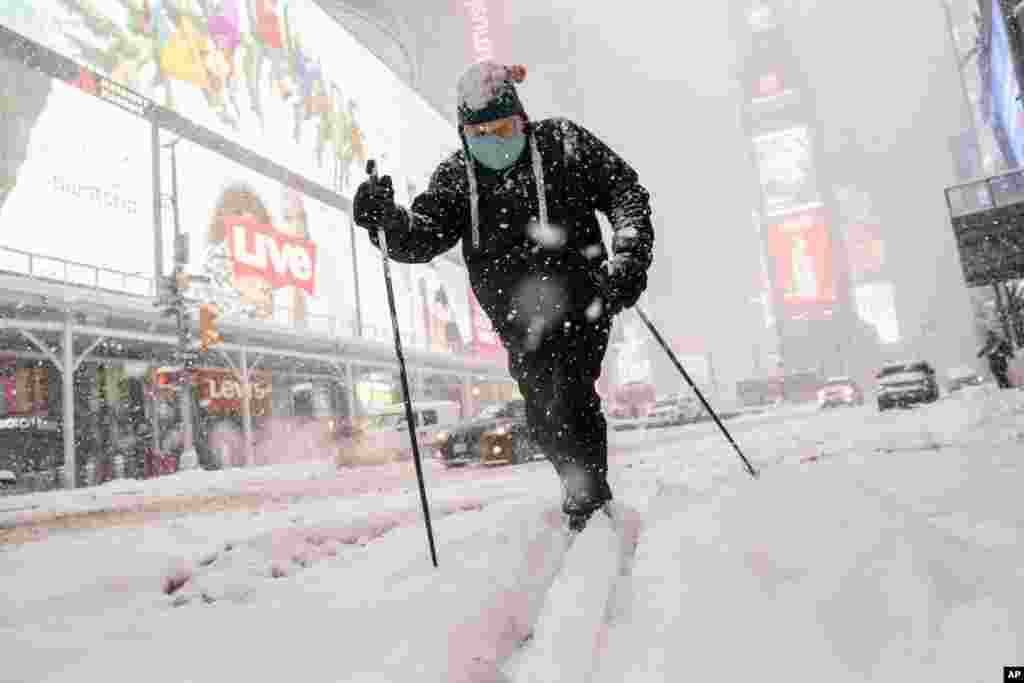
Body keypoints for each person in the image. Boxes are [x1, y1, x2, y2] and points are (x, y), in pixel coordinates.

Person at [352, 61, 654, 531]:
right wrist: (387, 220)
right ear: (463, 133)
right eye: (480, 134)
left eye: (505, 128)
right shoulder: (457, 178)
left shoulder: (563, 144)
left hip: (584, 299)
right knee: (543, 412)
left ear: (523, 120)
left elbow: (623, 191)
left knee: (571, 393)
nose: (494, 142)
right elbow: (422, 235)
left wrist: (629, 257)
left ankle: (588, 498)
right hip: (517, 318)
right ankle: (578, 483)